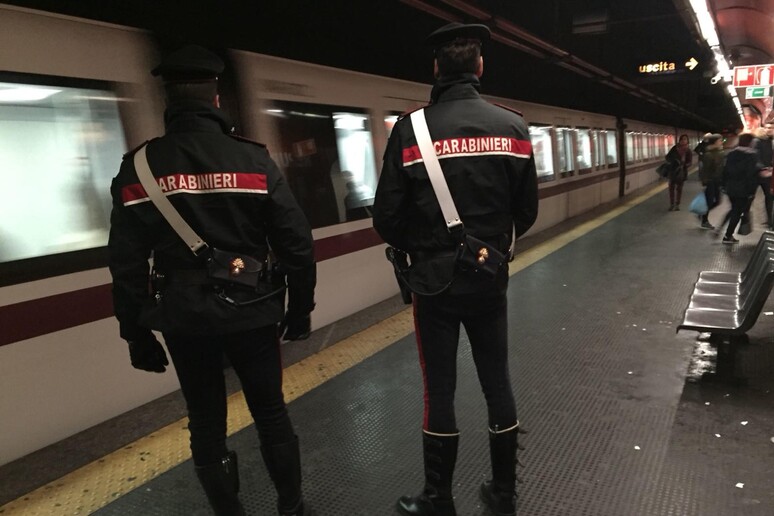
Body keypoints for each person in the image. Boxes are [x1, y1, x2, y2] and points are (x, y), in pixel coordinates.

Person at [108, 45, 316, 516]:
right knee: (270, 412)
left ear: (167, 100)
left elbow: (124, 262)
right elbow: (297, 243)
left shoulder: (139, 167)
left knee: (205, 421)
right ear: (215, 97)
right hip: (253, 307)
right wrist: (300, 308)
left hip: (184, 317)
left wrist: (137, 334)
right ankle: (292, 507)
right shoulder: (254, 160)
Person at [373, 23, 539, 516]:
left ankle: (437, 498)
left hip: (434, 283)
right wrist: (490, 246)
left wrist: (426, 248)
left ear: (436, 69)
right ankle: (503, 492)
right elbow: (526, 210)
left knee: (439, 388)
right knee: (498, 381)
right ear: (480, 67)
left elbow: (386, 217)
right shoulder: (513, 127)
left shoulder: (411, 129)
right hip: (490, 279)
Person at [720, 132, 765, 243]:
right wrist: (751, 192)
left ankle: (722, 230)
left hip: (731, 188)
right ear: (750, 143)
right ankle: (727, 236)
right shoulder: (752, 155)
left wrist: (723, 185)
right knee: (737, 211)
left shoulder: (731, 154)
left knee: (734, 209)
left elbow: (725, 171)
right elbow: (751, 176)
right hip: (743, 190)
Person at [697, 134, 725, 229]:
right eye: (720, 141)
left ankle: (702, 215)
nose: (721, 142)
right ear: (715, 142)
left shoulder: (721, 153)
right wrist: (704, 182)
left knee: (717, 201)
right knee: (709, 201)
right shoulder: (708, 155)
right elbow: (705, 170)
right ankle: (704, 220)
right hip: (710, 181)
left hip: (718, 180)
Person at [752, 124, 774, 228]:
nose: (769, 130)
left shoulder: (770, 141)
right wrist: (763, 168)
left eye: (771, 128)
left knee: (769, 197)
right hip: (758, 174)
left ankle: (770, 220)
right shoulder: (757, 141)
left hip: (769, 173)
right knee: (749, 197)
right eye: (767, 128)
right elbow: (755, 157)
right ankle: (743, 219)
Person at [665, 134, 693, 211]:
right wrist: (673, 162)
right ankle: (672, 204)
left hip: (681, 172)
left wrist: (684, 165)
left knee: (679, 189)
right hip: (672, 171)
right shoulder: (674, 148)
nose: (683, 141)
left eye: (685, 139)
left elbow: (690, 162)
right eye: (682, 139)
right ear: (679, 140)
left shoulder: (688, 151)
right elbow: (667, 157)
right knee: (671, 188)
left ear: (687, 141)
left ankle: (677, 204)